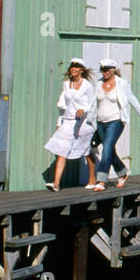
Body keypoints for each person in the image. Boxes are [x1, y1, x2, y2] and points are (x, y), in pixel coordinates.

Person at [87, 58, 140, 191]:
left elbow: (133, 101)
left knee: (107, 148)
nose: (103, 72)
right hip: (101, 121)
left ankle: (101, 181)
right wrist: (89, 119)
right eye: (101, 70)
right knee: (109, 150)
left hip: (116, 120)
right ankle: (122, 172)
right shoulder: (98, 84)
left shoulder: (121, 84)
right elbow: (93, 103)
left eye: (106, 70)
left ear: (112, 70)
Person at [44, 57, 96, 191]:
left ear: (82, 70)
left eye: (76, 67)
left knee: (87, 151)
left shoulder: (87, 86)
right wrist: (59, 121)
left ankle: (92, 178)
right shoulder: (66, 84)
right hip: (68, 122)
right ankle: (56, 183)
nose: (73, 69)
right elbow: (63, 105)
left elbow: (92, 104)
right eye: (71, 66)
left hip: (83, 123)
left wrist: (83, 110)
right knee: (61, 150)